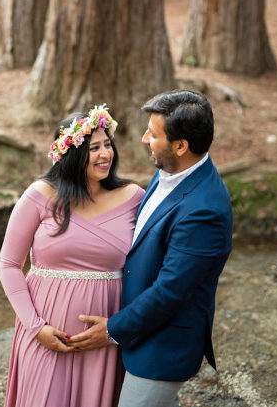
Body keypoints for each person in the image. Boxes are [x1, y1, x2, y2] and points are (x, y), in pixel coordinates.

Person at [68, 90, 233, 407]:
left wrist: (112, 330)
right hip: (140, 329)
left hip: (163, 345)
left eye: (153, 134)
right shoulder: (170, 170)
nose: (145, 139)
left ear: (181, 146)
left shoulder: (205, 210)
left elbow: (170, 291)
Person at [0, 105, 144, 407]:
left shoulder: (133, 198)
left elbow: (149, 265)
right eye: (94, 148)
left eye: (108, 144)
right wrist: (36, 327)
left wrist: (123, 327)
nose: (106, 154)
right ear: (73, 153)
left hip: (103, 340)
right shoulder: (41, 194)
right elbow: (9, 264)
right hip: (45, 335)